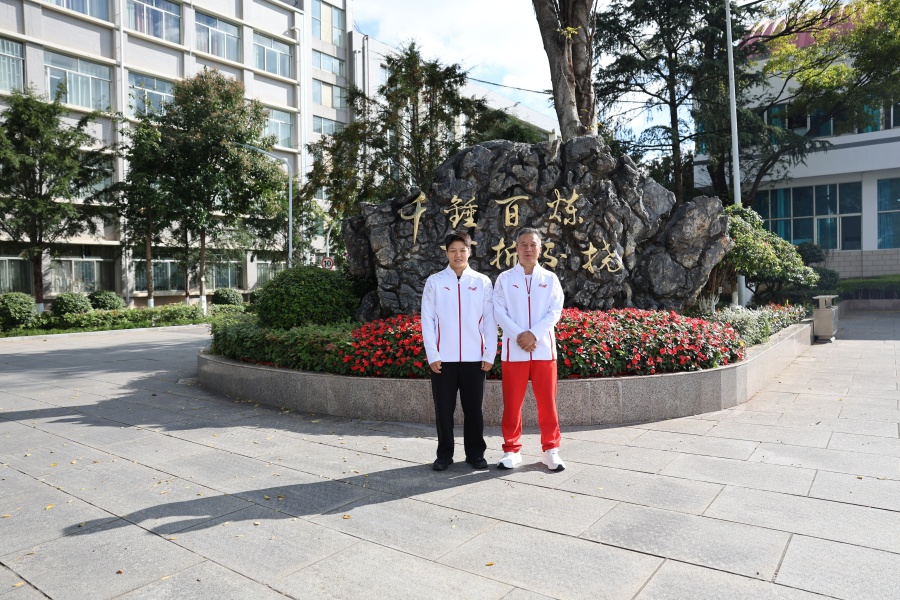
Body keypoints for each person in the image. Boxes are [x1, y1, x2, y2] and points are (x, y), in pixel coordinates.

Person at [421, 231, 497, 471]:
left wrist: (489, 354)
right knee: (443, 410)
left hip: (475, 358)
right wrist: (433, 355)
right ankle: (444, 454)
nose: (458, 255)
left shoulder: (482, 282)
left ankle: (475, 454)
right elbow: (427, 320)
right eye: (453, 250)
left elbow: (490, 320)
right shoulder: (435, 282)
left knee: (474, 409)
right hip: (443, 359)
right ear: (446, 253)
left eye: (462, 250)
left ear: (469, 251)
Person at [493, 228, 566, 471]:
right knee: (512, 404)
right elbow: (498, 311)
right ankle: (511, 450)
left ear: (540, 249)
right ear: (516, 248)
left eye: (533, 244)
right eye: (523, 244)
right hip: (514, 352)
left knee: (548, 403)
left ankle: (550, 450)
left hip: (544, 351)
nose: (528, 249)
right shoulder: (504, 279)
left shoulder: (550, 279)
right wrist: (519, 336)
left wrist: (533, 334)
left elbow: (555, 311)